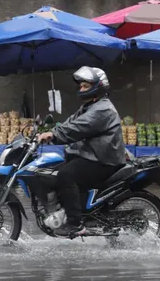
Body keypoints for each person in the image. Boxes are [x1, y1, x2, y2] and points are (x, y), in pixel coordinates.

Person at [37, 66, 126, 238]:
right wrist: (50, 130)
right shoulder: (90, 106)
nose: (81, 89)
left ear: (97, 87)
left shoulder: (102, 109)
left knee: (66, 175)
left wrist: (54, 135)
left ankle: (75, 224)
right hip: (91, 156)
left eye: (85, 86)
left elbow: (77, 128)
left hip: (103, 160)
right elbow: (70, 123)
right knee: (54, 171)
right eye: (81, 86)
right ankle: (68, 209)